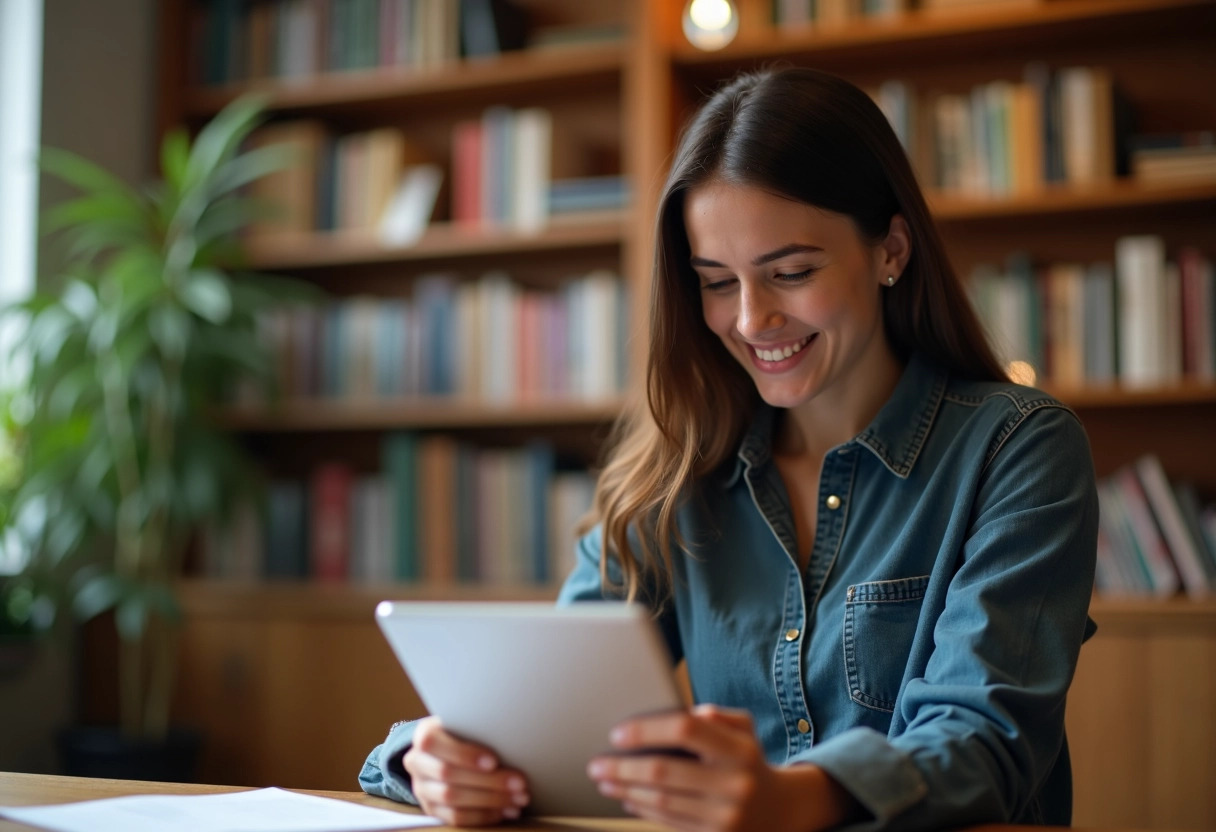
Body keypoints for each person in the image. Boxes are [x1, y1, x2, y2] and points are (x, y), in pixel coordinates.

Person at [359, 67, 1098, 832]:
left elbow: (987, 745)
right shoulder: (677, 470)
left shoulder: (1017, 446)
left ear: (892, 250)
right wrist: (438, 761)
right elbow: (551, 705)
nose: (752, 319)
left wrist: (790, 797)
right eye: (716, 282)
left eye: (792, 273)